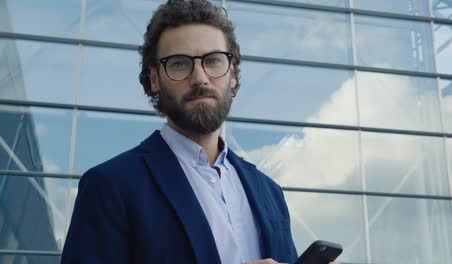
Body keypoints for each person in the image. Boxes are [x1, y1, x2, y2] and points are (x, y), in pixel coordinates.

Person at [61, 1, 336, 263]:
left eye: (213, 60)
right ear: (155, 79)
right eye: (179, 63)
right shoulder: (110, 186)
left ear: (233, 74)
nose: (200, 77)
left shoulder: (269, 192)